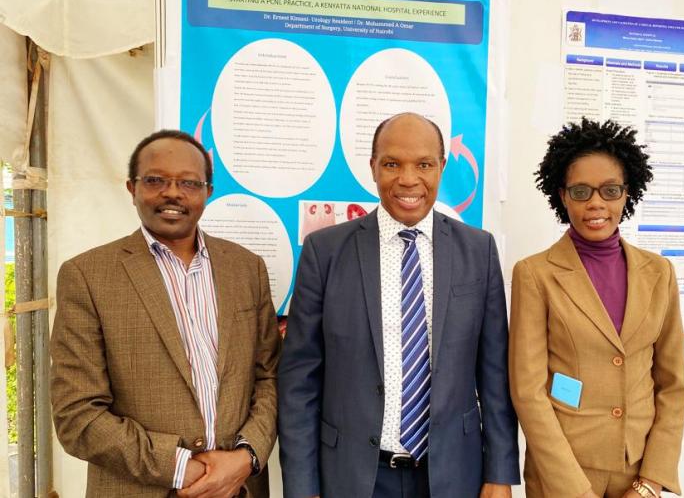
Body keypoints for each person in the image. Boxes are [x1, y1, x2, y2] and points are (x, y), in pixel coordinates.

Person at [278, 112, 520, 498]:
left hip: (453, 475)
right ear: (373, 167)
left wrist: (500, 473)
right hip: (353, 477)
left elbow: (494, 375)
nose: (408, 179)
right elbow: (299, 380)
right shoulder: (325, 252)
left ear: (442, 166)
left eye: (424, 164)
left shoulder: (479, 251)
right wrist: (302, 486)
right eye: (392, 164)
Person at [50, 130, 280, 497]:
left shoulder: (245, 268)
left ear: (208, 191)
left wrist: (246, 456)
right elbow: (77, 415)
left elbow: (269, 376)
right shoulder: (87, 276)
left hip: (238, 488)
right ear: (132, 188)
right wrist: (181, 468)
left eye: (189, 183)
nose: (173, 193)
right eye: (156, 180)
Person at [509, 118, 684, 498]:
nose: (596, 203)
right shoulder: (535, 275)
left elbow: (673, 387)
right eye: (581, 191)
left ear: (627, 193)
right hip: (563, 477)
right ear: (562, 195)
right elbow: (528, 392)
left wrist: (650, 483)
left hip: (637, 474)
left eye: (610, 190)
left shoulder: (660, 273)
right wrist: (576, 491)